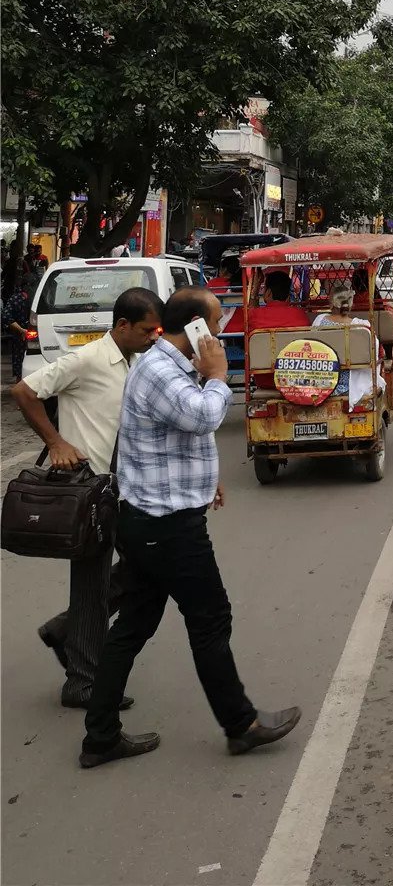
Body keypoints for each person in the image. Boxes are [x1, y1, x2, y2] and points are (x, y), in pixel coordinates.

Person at [80, 288, 300, 767]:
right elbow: (201, 417)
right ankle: (241, 724)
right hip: (166, 525)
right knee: (210, 619)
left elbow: (175, 436)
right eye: (217, 322)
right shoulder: (161, 370)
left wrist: (207, 479)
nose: (222, 332)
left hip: (156, 516)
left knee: (134, 625)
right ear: (196, 327)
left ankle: (99, 736)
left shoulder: (173, 369)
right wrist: (220, 375)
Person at [12, 288, 164, 707]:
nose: (155, 336)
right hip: (90, 493)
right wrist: (56, 442)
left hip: (124, 487)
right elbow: (24, 391)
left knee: (145, 570)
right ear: (122, 326)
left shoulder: (138, 361)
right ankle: (82, 682)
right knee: (92, 588)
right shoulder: (88, 359)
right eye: (148, 329)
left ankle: (66, 632)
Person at [312, 285, 385, 404]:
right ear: (350, 305)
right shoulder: (362, 326)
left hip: (322, 383)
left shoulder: (319, 321)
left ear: (331, 304)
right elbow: (375, 355)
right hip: (350, 386)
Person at [2, 262, 34, 379]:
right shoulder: (37, 299)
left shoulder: (15, 298)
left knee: (20, 363)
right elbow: (5, 316)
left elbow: (6, 316)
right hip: (33, 337)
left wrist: (21, 330)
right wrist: (23, 330)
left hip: (20, 336)